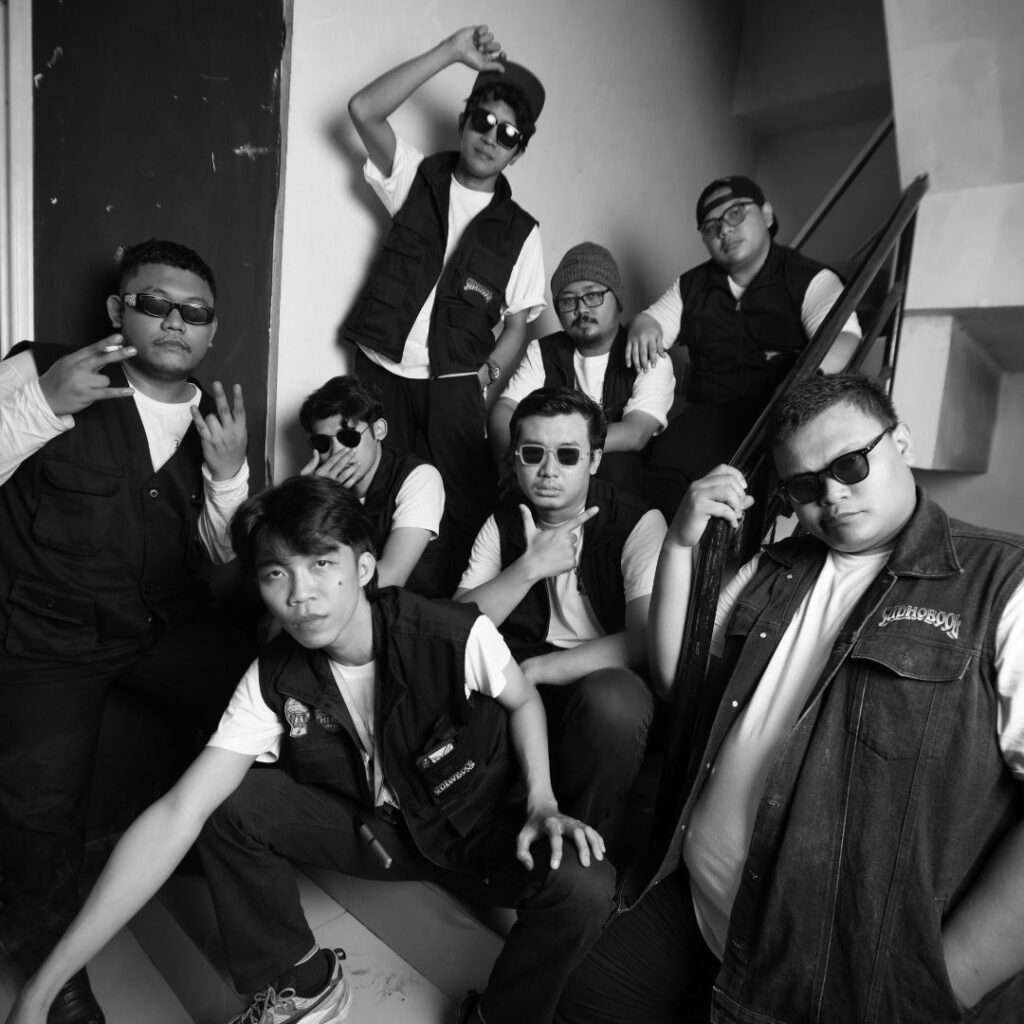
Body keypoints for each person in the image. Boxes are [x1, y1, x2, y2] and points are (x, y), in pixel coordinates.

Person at [4, 475, 614, 1024]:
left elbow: (524, 702)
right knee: (223, 799)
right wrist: (43, 987)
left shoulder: (451, 633)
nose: (300, 594)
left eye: (322, 563)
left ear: (365, 567)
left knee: (584, 882)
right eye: (277, 573)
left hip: (481, 831)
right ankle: (301, 982)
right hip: (379, 835)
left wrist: (541, 800)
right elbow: (177, 814)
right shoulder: (272, 677)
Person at [555, 373, 1024, 1023]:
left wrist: (944, 987)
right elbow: (673, 676)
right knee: (578, 1001)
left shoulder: (1002, 584)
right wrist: (683, 544)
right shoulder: (776, 566)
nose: (831, 494)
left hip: (828, 982)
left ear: (901, 443)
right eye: (804, 486)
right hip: (697, 912)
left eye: (850, 464)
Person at [0, 239, 254, 1023]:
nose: (175, 322)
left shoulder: (217, 415)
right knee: (37, 805)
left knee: (271, 700)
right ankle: (56, 976)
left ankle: (225, 869)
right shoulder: (39, 368)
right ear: (118, 310)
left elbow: (225, 556)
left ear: (211, 331)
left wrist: (230, 476)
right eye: (155, 304)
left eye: (195, 313)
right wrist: (40, 405)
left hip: (163, 625)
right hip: (49, 636)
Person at [343, 25, 547, 592]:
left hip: (454, 385)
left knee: (461, 507)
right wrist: (451, 53)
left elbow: (518, 324)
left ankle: (444, 619)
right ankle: (370, 607)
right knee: (370, 493)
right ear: (464, 121)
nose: (490, 137)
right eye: (482, 120)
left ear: (518, 150)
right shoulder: (416, 177)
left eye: (507, 133)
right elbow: (363, 110)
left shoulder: (522, 232)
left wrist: (485, 377)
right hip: (381, 373)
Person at [456, 387, 665, 831]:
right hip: (519, 664)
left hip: (598, 670)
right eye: (533, 454)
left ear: (594, 460)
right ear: (515, 459)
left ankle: (578, 837)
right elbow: (455, 624)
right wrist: (528, 568)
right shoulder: (503, 521)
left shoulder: (638, 522)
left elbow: (646, 640)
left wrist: (539, 670)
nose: (548, 470)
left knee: (615, 703)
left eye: (567, 456)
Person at [627, 175, 862, 518]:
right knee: (661, 472)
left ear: (766, 214)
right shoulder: (692, 285)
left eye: (735, 213)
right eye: (711, 226)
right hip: (709, 412)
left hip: (773, 413)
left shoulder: (808, 278)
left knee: (748, 497)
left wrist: (805, 382)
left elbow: (844, 337)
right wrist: (643, 322)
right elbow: (652, 325)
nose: (724, 229)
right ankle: (671, 547)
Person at [490, 242, 675, 499]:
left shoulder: (647, 352)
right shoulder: (543, 351)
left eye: (593, 295)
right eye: (568, 300)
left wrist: (560, 449)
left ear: (617, 299)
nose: (582, 309)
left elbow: (635, 434)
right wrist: (508, 454)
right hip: (551, 472)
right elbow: (505, 408)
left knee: (616, 465)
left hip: (623, 485)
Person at [298, 374, 446, 596]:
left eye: (348, 437)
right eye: (323, 443)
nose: (337, 451)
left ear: (379, 430)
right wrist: (311, 499)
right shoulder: (322, 485)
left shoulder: (419, 477)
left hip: (409, 608)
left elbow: (392, 575)